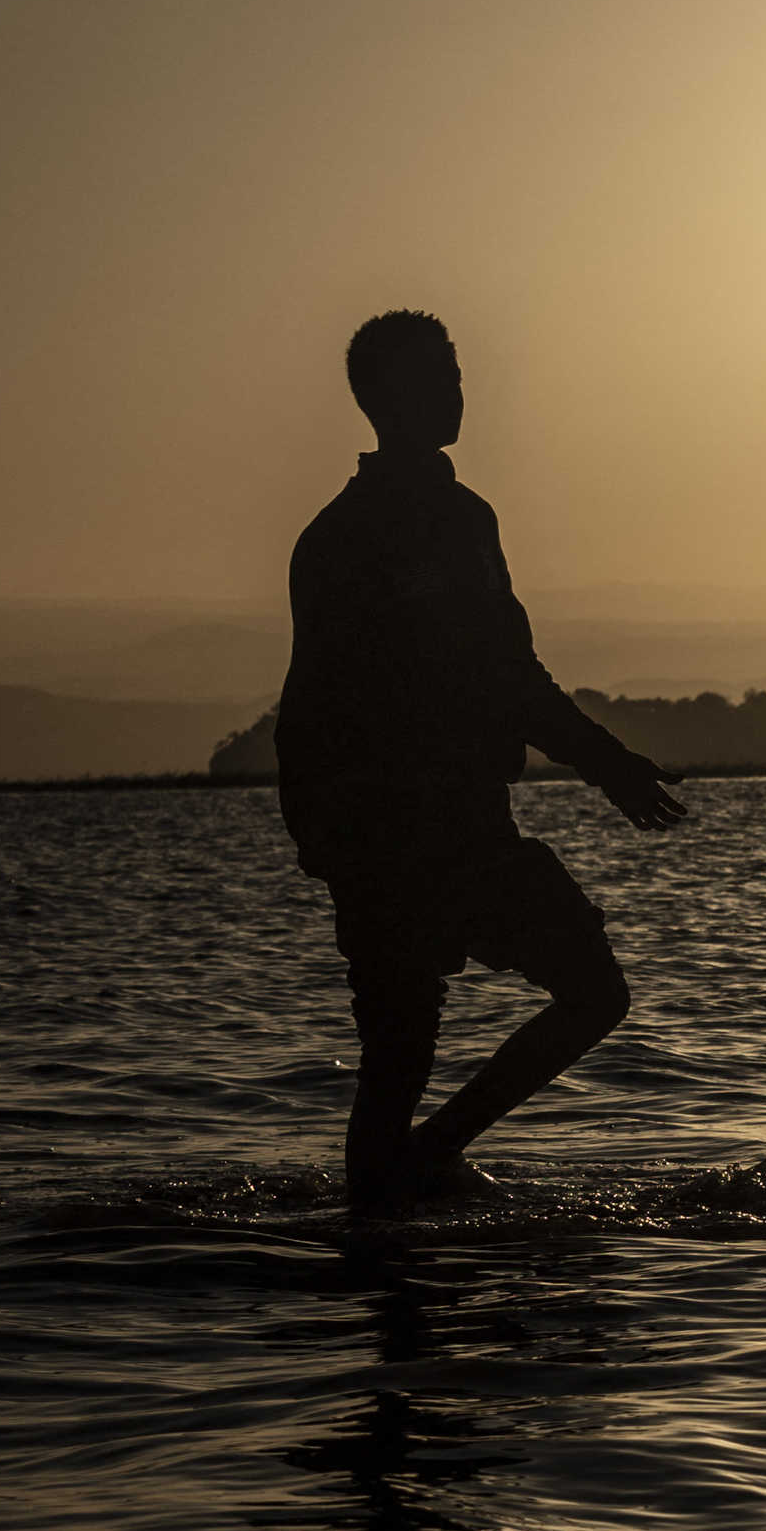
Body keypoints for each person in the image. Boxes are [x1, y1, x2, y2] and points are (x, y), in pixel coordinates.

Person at [275, 310, 685, 1214]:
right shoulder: (346, 539)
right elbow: (315, 703)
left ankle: (419, 1167)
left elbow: (513, 673)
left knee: (585, 994)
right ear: (389, 398)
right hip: (393, 836)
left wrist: (608, 763)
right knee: (401, 1053)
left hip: (464, 823)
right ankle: (390, 1221)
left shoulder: (461, 518)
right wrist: (323, 835)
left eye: (459, 371)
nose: (461, 390)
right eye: (441, 375)